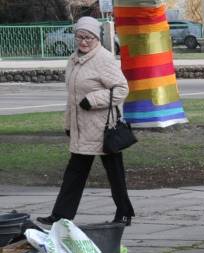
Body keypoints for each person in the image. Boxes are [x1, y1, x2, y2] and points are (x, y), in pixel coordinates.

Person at [37, 16, 134, 228]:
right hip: (82, 128)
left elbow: (121, 89)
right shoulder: (73, 59)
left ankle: (124, 213)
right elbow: (72, 97)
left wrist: (93, 100)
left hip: (105, 128)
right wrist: (68, 124)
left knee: (115, 173)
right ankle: (60, 216)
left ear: (97, 38)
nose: (83, 41)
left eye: (88, 37)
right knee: (74, 173)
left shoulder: (104, 59)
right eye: (80, 37)